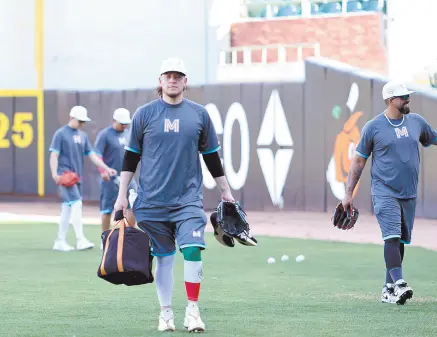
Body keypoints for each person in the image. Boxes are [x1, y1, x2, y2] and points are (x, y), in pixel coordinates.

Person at [114, 57, 239, 332]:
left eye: (178, 76)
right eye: (167, 76)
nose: (173, 80)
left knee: (193, 249)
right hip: (150, 202)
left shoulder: (199, 115)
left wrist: (225, 191)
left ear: (185, 82)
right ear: (160, 81)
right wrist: (122, 196)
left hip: (188, 200)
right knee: (165, 258)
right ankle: (166, 313)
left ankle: (193, 310)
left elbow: (211, 157)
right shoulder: (144, 115)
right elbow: (130, 158)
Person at [342, 81, 437, 305]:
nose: (407, 99)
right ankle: (399, 282)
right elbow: (358, 161)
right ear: (390, 100)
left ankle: (388, 288)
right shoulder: (373, 127)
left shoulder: (416, 122)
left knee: (400, 241)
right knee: (392, 236)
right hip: (384, 191)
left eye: (408, 96)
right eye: (403, 96)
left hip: (409, 193)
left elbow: (433, 138)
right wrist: (348, 194)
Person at [49, 105, 117, 252]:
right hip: (65, 175)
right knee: (77, 204)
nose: (81, 124)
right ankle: (80, 239)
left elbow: (91, 155)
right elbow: (54, 154)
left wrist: (105, 167)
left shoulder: (83, 136)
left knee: (67, 208)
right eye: (79, 121)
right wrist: (55, 173)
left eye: (83, 122)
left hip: (76, 177)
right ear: (71, 118)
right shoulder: (60, 134)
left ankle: (60, 241)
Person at [94, 108, 137, 247]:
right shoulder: (105, 135)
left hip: (128, 177)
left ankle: (128, 236)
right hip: (110, 179)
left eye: (126, 123)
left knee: (134, 205)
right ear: (114, 121)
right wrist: (103, 171)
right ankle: (105, 239)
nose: (124, 125)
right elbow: (97, 154)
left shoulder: (129, 134)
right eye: (122, 123)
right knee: (107, 209)